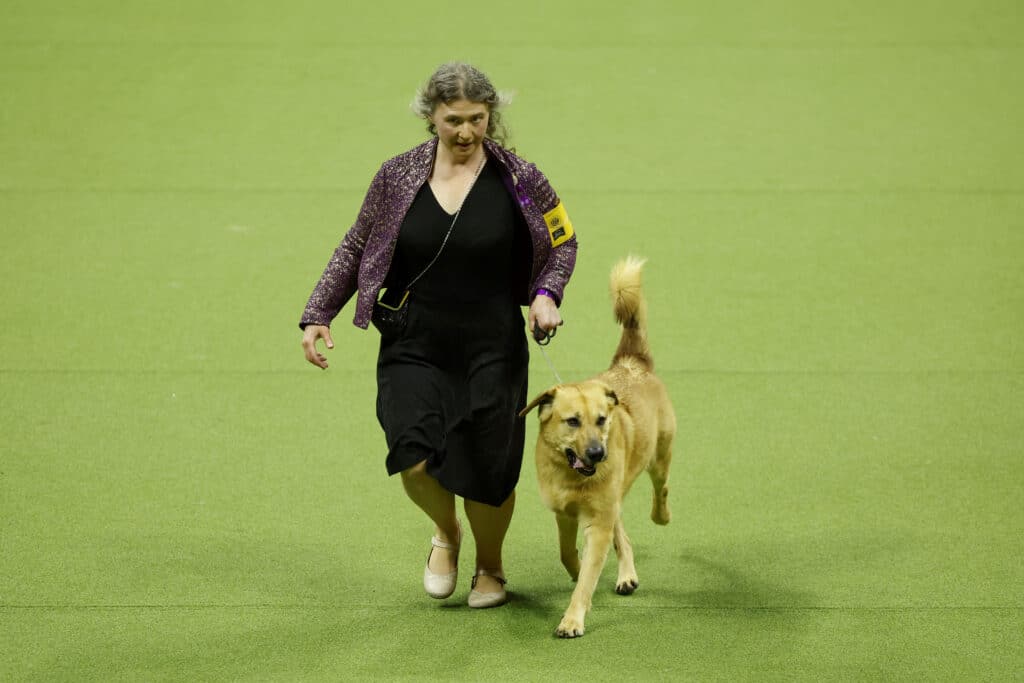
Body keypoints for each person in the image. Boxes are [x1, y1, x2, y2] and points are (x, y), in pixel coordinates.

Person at [299, 62, 577, 608]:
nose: (467, 131)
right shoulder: (396, 176)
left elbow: (562, 241)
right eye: (454, 120)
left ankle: (491, 567)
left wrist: (547, 293)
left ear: (491, 115)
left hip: (492, 340)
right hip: (414, 340)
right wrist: (318, 313)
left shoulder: (519, 179)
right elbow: (357, 245)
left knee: (490, 468)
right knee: (412, 455)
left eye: (477, 118)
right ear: (431, 116)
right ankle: (446, 533)